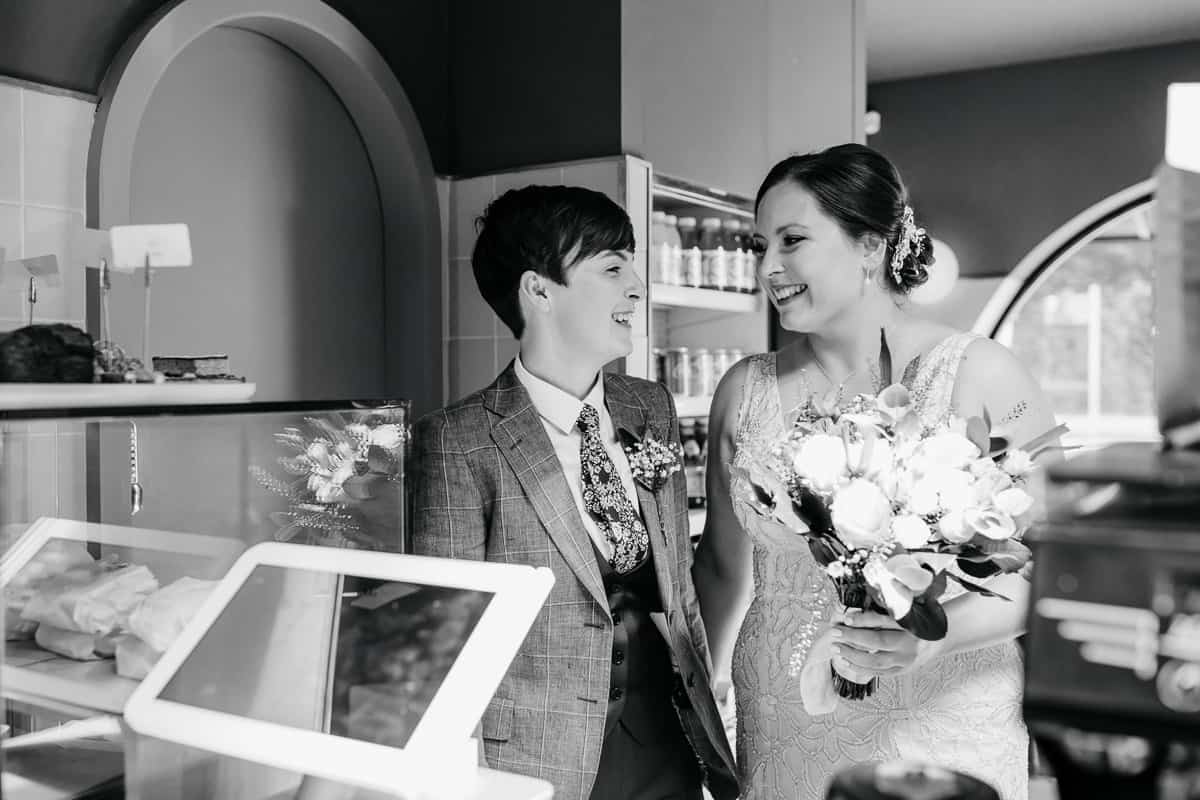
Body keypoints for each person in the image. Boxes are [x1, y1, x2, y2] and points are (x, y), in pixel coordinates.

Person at [693, 143, 1058, 800]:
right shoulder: (741, 390)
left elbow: (1055, 570)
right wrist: (700, 708)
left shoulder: (984, 373)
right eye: (759, 247)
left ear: (870, 247)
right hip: (782, 717)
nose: (770, 268)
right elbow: (723, 568)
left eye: (793, 240)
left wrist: (932, 643)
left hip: (942, 710)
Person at [411, 185, 738, 800]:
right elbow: (445, 639)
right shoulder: (457, 441)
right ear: (538, 290)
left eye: (633, 266)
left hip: (670, 744)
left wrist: (710, 678)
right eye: (613, 268)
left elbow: (679, 581)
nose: (636, 287)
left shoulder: (650, 407)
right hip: (539, 761)